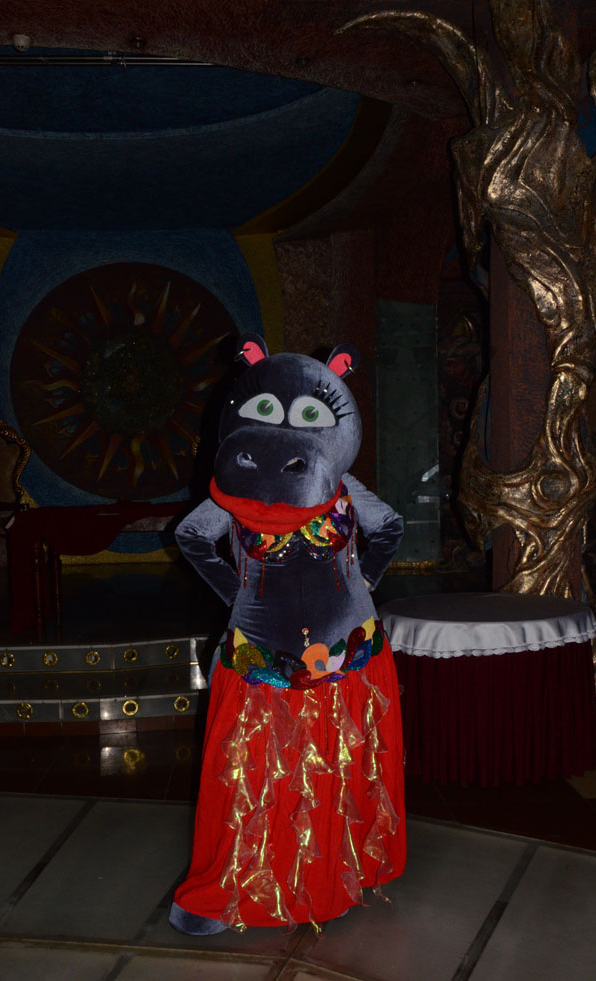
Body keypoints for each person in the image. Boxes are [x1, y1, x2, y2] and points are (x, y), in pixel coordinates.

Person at [169, 334, 406, 934]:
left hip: (348, 656)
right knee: (253, 772)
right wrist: (235, 594)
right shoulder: (235, 493)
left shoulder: (344, 489)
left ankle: (337, 873)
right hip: (261, 660)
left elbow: (390, 526)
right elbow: (191, 536)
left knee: (338, 769)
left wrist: (364, 580)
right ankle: (240, 885)